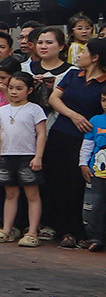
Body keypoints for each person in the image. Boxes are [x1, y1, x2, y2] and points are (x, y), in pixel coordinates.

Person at [46, 37, 106, 247]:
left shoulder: (104, 82)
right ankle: (64, 230)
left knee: (79, 185)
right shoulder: (72, 74)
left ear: (95, 57)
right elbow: (54, 99)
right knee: (57, 181)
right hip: (61, 133)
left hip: (87, 141)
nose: (79, 56)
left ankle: (82, 231)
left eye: (84, 52)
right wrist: (74, 115)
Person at [0, 70, 48, 245]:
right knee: (10, 194)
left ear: (29, 90)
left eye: (19, 88)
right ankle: (7, 229)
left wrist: (38, 157)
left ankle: (32, 231)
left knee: (32, 194)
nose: (14, 92)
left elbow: (41, 134)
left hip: (27, 156)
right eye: (11, 88)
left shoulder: (35, 109)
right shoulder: (2, 110)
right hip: (6, 156)